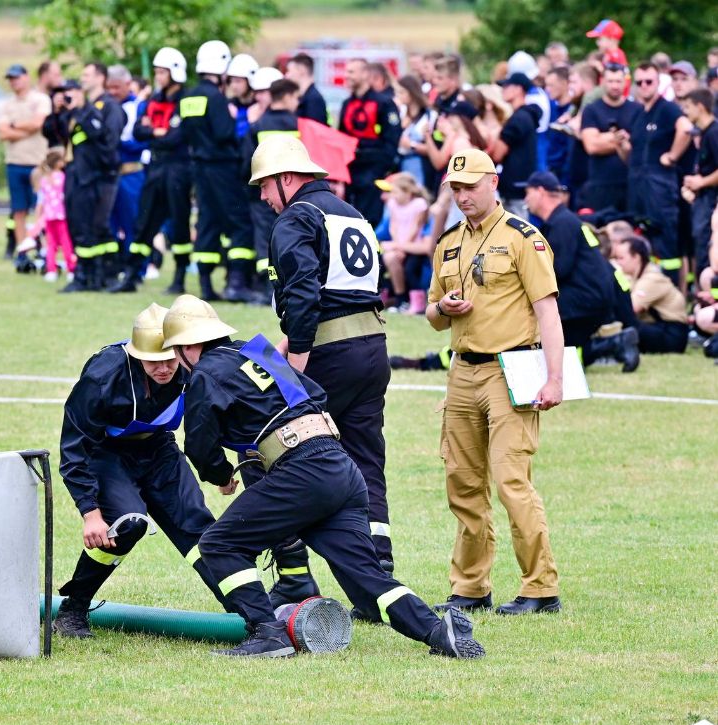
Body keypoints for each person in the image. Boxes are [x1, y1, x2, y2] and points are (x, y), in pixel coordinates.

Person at [161, 294, 484, 659]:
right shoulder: (260, 352)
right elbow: (315, 394)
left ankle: (266, 632)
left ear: (189, 346)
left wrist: (220, 473)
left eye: (175, 352)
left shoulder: (206, 373)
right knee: (365, 578)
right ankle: (441, 633)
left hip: (302, 472)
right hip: (340, 467)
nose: (176, 362)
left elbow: (200, 444)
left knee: (219, 544)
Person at [249, 134, 398, 589]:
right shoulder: (350, 214)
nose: (262, 197)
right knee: (366, 459)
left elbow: (303, 295)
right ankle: (380, 566)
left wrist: (293, 365)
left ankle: (294, 573)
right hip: (373, 350)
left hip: (328, 355)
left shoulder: (296, 217)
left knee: (284, 453)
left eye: (264, 187)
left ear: (286, 178)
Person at [424, 148, 564, 616]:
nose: (462, 196)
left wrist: (555, 378)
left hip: (513, 370)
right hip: (463, 370)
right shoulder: (446, 243)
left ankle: (540, 588)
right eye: (455, 188)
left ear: (494, 182)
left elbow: (548, 310)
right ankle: (470, 586)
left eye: (470, 186)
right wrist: (445, 309)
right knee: (462, 483)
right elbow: (431, 314)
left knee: (511, 480)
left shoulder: (525, 238)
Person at [52, 303, 236, 638]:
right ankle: (73, 610)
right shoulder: (102, 376)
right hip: (107, 455)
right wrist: (90, 512)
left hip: (160, 449)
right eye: (154, 362)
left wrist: (222, 472)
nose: (165, 369)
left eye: (170, 359)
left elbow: (218, 414)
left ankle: (246, 610)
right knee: (128, 525)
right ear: (137, 356)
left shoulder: (195, 365)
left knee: (198, 527)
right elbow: (74, 448)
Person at [521, 171, 636, 366]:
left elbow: (558, 270)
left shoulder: (561, 223)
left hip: (584, 299)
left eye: (528, 192)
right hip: (594, 297)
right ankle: (614, 344)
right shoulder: (565, 221)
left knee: (534, 318)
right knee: (567, 352)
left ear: (540, 192)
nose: (526, 199)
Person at [181, 40, 258, 302]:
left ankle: (205, 286)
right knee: (239, 223)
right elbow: (225, 133)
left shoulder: (189, 96)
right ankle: (237, 282)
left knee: (207, 223)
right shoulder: (216, 98)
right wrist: (236, 117)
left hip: (199, 169)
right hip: (223, 169)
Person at [130, 47, 194, 295]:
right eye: (156, 71)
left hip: (178, 168)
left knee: (179, 222)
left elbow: (176, 137)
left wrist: (153, 132)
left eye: (161, 72)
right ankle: (133, 273)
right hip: (156, 166)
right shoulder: (154, 100)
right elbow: (138, 131)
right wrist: (158, 132)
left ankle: (179, 277)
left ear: (175, 73)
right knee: (144, 221)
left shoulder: (185, 101)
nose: (157, 76)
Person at [57, 66, 124, 293]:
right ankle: (89, 275)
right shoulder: (80, 109)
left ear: (100, 78)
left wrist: (83, 115)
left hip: (100, 177)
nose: (82, 80)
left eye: (86, 75)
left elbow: (108, 143)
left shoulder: (109, 107)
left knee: (98, 225)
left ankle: (107, 273)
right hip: (78, 174)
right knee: (81, 225)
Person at [626, 62, 692, 286]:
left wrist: (672, 156)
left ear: (658, 82)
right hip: (638, 187)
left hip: (660, 187)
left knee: (667, 247)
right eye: (640, 82)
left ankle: (673, 295)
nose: (644, 86)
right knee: (643, 243)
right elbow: (632, 154)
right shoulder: (638, 114)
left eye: (649, 82)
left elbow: (686, 128)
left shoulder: (667, 108)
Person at [242, 76, 298, 301]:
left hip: (262, 193)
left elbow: (246, 160)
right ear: (285, 97)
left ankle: (267, 289)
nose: (297, 102)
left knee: (264, 238)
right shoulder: (298, 125)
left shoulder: (259, 125)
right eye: (295, 97)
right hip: (293, 194)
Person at [337, 59, 402, 226]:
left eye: (351, 72)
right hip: (352, 173)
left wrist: (380, 169)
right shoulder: (347, 104)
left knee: (371, 221)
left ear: (365, 74)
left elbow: (392, 139)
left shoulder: (384, 103)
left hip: (373, 173)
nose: (347, 76)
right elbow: (341, 139)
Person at [0, 63, 50, 260]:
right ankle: (22, 251)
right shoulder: (6, 104)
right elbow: (2, 132)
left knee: (42, 209)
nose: (14, 82)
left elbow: (38, 123)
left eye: (17, 78)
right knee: (18, 210)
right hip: (15, 162)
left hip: (38, 163)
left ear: (27, 77)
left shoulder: (40, 100)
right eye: (11, 79)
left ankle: (43, 250)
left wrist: (13, 127)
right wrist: (24, 129)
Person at [105, 64, 148, 290]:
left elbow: (143, 140)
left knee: (133, 223)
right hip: (109, 174)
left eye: (117, 87)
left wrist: (118, 144)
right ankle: (114, 267)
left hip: (131, 174)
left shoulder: (137, 107)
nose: (112, 92)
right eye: (109, 87)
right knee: (108, 224)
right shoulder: (104, 105)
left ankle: (137, 270)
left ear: (127, 84)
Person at [578, 63, 642, 213]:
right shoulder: (592, 110)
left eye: (618, 81)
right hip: (599, 184)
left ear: (625, 83)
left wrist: (603, 137)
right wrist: (621, 139)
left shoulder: (637, 110)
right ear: (602, 82)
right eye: (611, 81)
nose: (615, 86)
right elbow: (592, 146)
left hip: (629, 184)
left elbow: (639, 146)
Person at [611, 236, 690, 353]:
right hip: (659, 328)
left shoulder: (652, 278)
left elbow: (631, 309)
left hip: (672, 336)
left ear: (636, 257)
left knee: (626, 322)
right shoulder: (635, 276)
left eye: (621, 258)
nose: (618, 262)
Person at [378, 172, 433, 312]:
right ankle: (399, 299)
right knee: (386, 259)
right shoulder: (392, 204)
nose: (392, 195)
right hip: (399, 245)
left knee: (410, 270)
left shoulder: (419, 204)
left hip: (413, 245)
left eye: (395, 192)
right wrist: (397, 246)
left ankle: (416, 302)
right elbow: (393, 225)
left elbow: (416, 227)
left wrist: (401, 247)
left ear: (408, 192)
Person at [492, 73, 542, 217]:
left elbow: (497, 154)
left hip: (515, 188)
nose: (503, 90)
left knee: (517, 231)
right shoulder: (527, 116)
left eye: (507, 86)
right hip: (522, 183)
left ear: (518, 89)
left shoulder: (518, 119)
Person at [682, 89, 718, 277]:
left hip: (711, 202)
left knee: (705, 247)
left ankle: (709, 296)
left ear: (700, 107)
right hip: (703, 199)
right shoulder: (704, 134)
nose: (685, 111)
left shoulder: (714, 133)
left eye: (688, 107)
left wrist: (701, 182)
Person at [27, 150, 73, 281]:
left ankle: (51, 269)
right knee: (66, 243)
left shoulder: (44, 179)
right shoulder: (62, 177)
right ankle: (71, 269)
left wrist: (38, 219)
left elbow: (41, 202)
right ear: (58, 163)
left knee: (51, 244)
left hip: (49, 216)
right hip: (61, 215)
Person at [285, 53, 328, 124]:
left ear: (302, 70)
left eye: (289, 71)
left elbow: (315, 130)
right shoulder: (304, 97)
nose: (287, 76)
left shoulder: (314, 99)